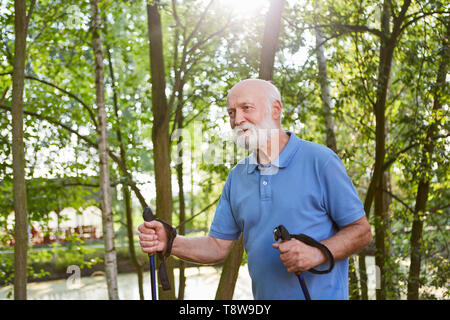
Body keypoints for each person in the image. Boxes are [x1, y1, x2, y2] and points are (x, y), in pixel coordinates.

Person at [138, 79, 372, 300]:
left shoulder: (320, 161)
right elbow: (217, 246)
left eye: (246, 108)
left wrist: (318, 253)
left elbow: (361, 231)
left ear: (275, 110)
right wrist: (169, 242)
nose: (237, 119)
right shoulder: (237, 177)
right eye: (231, 112)